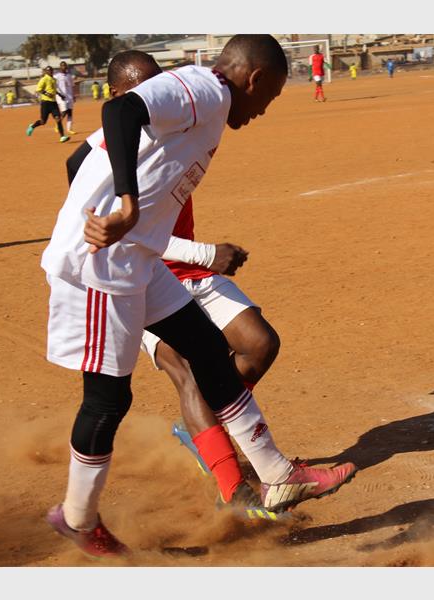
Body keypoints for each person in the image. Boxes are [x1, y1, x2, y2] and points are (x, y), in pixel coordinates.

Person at [42, 35, 357, 558]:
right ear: (255, 79)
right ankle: (77, 519)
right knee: (107, 399)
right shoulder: (204, 91)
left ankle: (277, 475)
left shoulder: (208, 101)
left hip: (138, 259)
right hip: (101, 265)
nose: (264, 109)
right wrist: (123, 207)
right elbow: (119, 111)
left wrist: (118, 202)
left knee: (208, 349)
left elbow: (83, 157)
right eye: (271, 96)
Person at [25, 66, 69, 143]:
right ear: (46, 72)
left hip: (53, 103)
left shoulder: (54, 79)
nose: (50, 72)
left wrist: (60, 95)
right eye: (48, 70)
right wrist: (47, 94)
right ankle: (32, 126)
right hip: (45, 103)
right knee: (43, 122)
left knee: (58, 119)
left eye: (51, 70)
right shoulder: (44, 79)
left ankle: (62, 136)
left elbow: (54, 90)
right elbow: (39, 89)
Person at [54, 61, 77, 135]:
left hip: (69, 96)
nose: (64, 67)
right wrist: (58, 94)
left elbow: (72, 86)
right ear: (60, 67)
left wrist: (73, 95)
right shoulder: (56, 76)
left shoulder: (69, 76)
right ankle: (58, 125)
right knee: (64, 112)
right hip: (61, 97)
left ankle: (69, 129)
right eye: (62, 66)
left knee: (70, 112)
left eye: (65, 66)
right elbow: (53, 86)